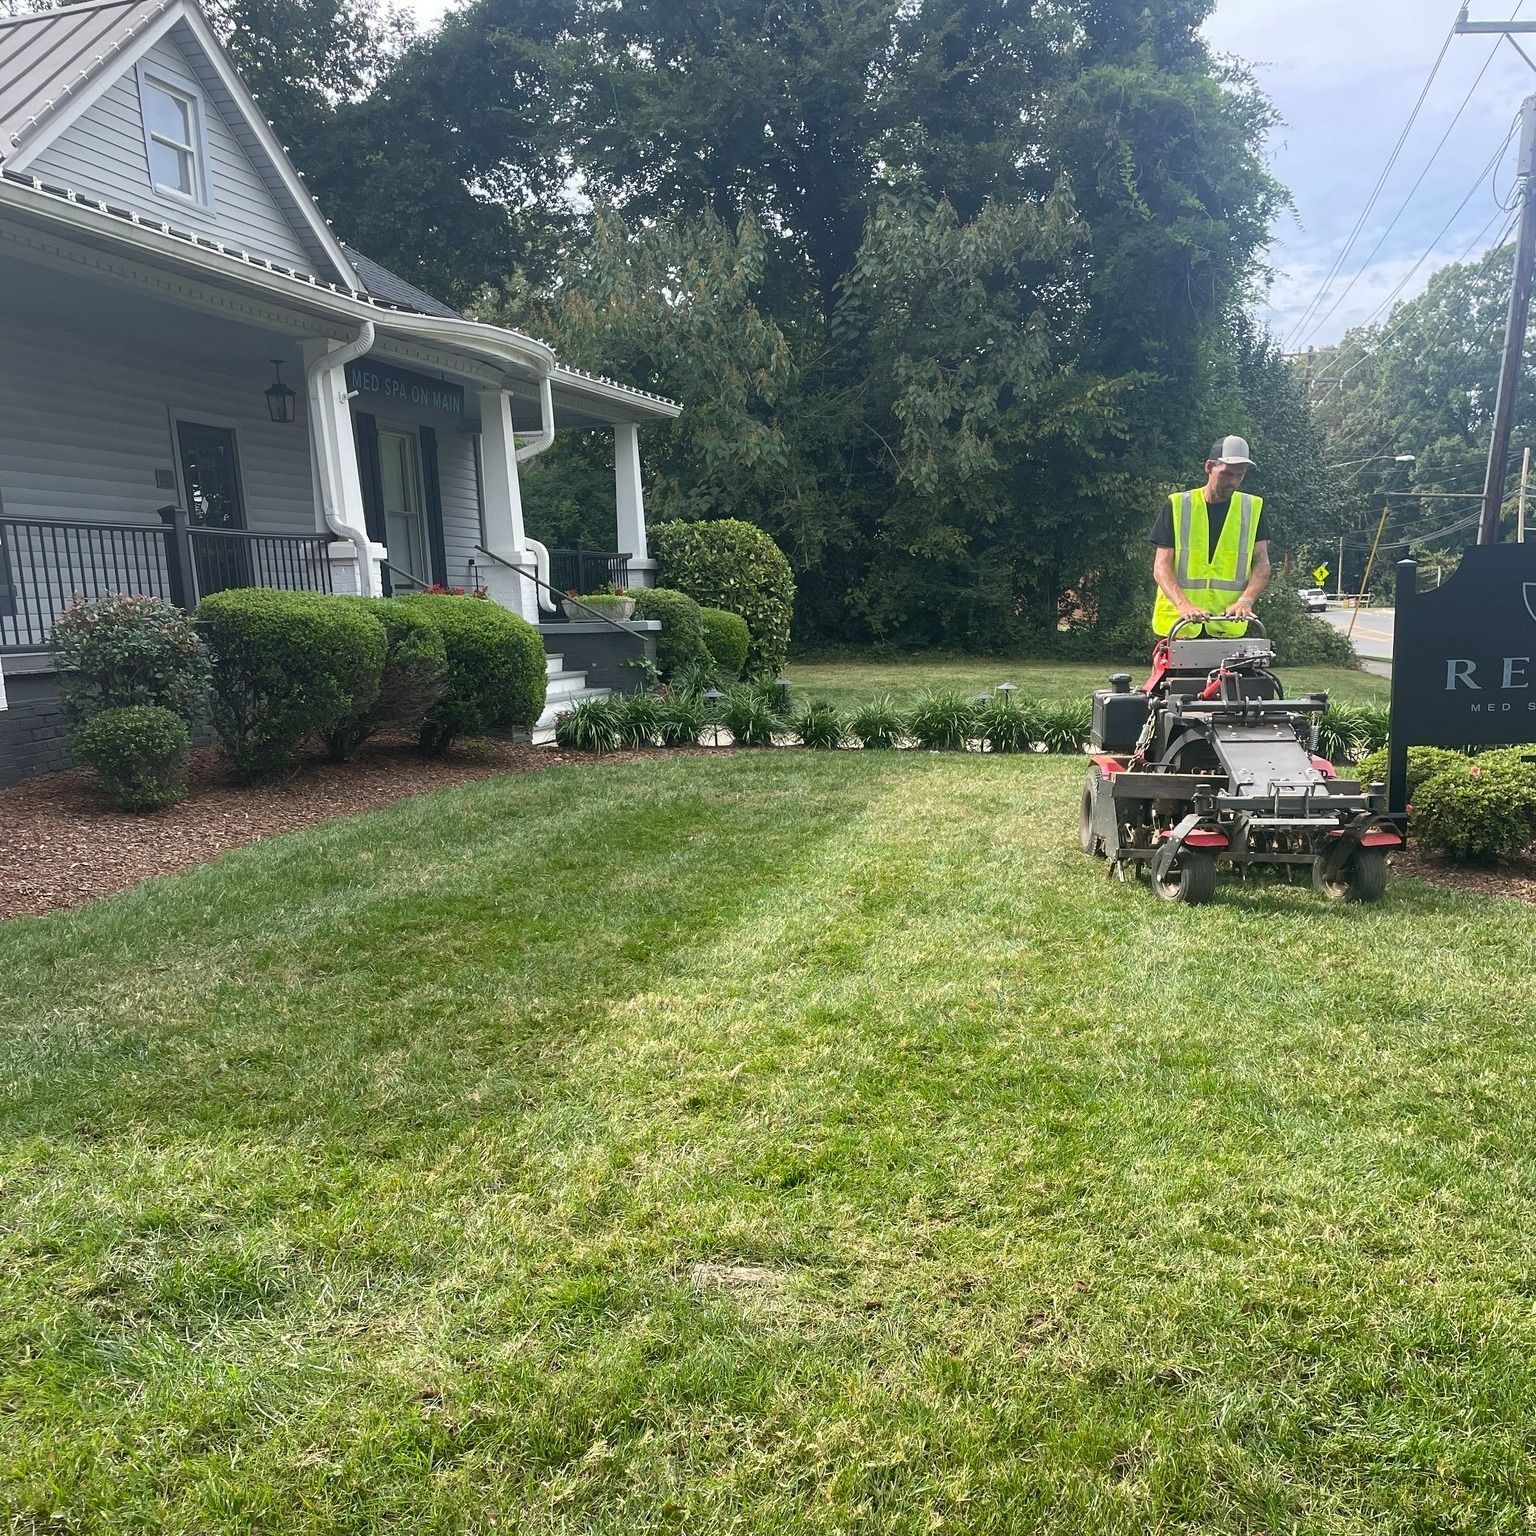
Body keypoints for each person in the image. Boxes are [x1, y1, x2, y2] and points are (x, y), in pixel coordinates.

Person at [1149, 436, 1270, 638]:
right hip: (1180, 626)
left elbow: (1261, 564)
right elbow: (1161, 566)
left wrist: (1245, 601)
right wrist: (1184, 605)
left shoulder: (1252, 508)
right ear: (1209, 467)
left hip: (1227, 624)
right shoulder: (1178, 505)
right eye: (1226, 474)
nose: (1233, 482)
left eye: (1239, 475)